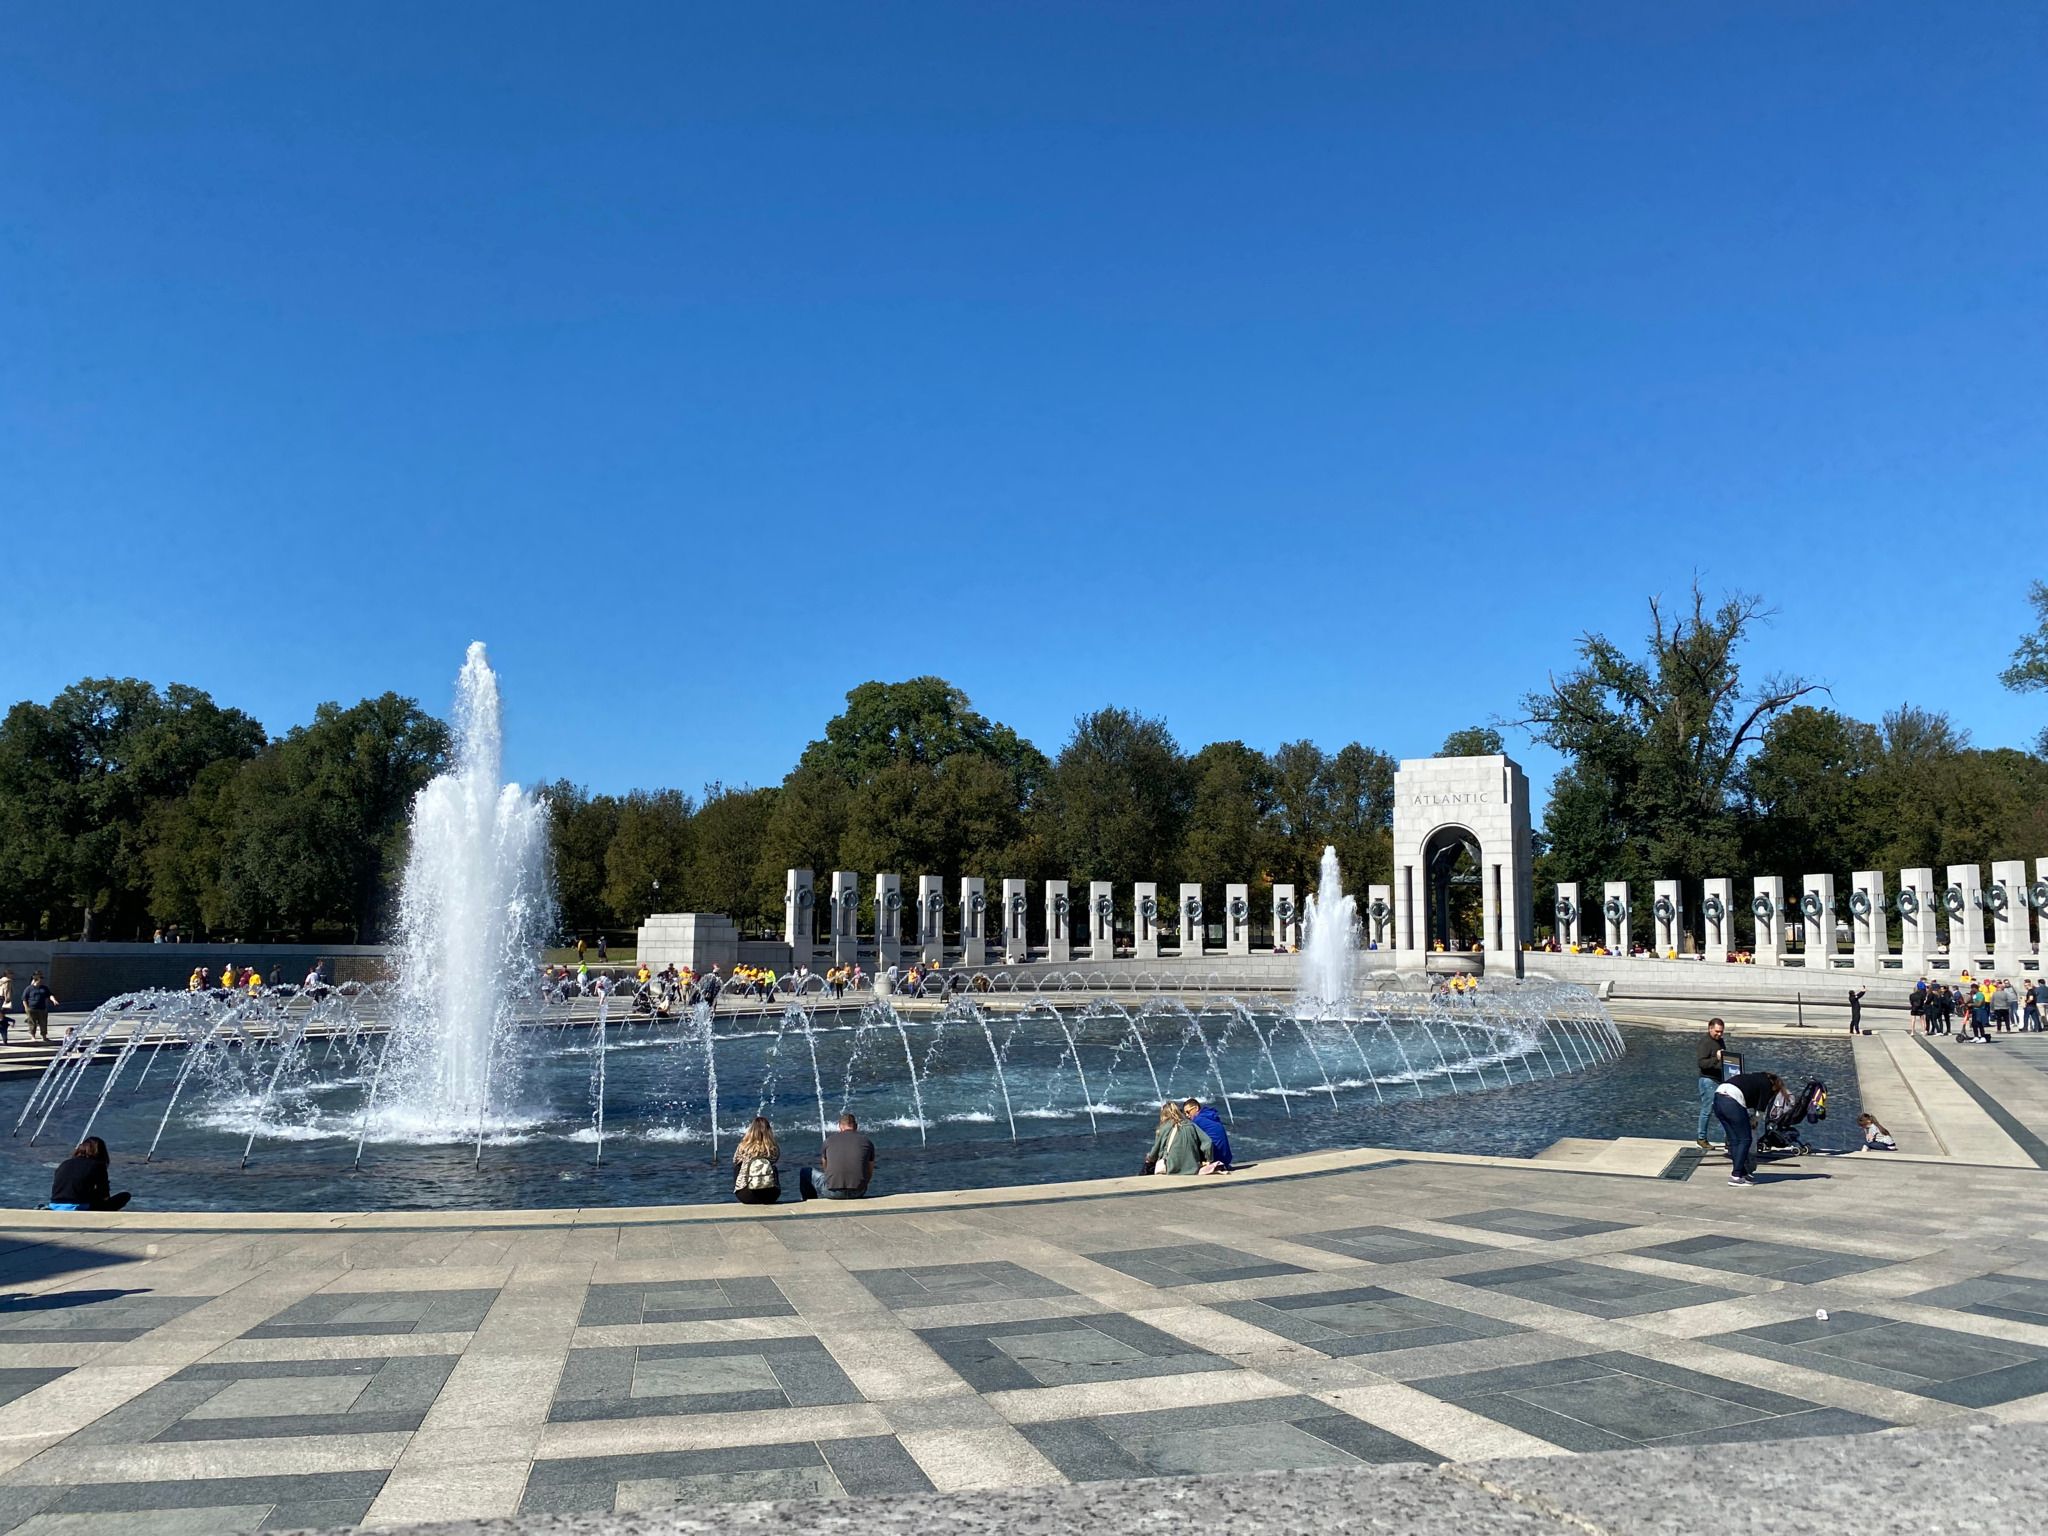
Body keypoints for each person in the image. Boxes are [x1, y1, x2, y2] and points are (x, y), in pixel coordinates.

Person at [1713, 1070, 1786, 1187]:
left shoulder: (1755, 1077)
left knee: (1734, 1140)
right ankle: (1736, 1176)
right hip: (1732, 1100)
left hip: (1718, 1097)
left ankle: (1741, 1172)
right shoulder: (1767, 1085)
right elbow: (1761, 1109)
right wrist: (1754, 1121)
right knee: (1745, 1139)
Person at [803, 1113, 875, 1200]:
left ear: (840, 1126)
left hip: (833, 1192)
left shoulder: (828, 1141)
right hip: (858, 1192)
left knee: (805, 1172)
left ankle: (811, 1201)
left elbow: (825, 1167)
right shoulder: (867, 1142)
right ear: (856, 1126)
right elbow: (870, 1170)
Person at [49, 1137, 130, 1212]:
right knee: (125, 1196)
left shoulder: (65, 1163)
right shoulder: (97, 1166)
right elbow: (104, 1195)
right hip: (78, 1206)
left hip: (55, 1204)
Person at [1144, 1101, 1215, 1175]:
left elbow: (1155, 1152)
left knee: (1147, 1166)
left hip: (1171, 1168)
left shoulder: (1164, 1127)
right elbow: (1208, 1142)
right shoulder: (1191, 1125)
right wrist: (1208, 1159)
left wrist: (1149, 1157)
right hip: (1193, 1168)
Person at [1696, 1018, 1731, 1150]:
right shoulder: (1705, 1042)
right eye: (1717, 1031)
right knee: (1707, 1110)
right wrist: (1716, 1058)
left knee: (1725, 1110)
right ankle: (1701, 1138)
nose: (1719, 1034)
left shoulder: (1720, 1041)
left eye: (1721, 1032)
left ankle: (1729, 1139)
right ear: (1710, 1029)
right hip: (1708, 1080)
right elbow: (1701, 1063)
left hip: (1720, 1080)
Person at [732, 1116, 783, 1205]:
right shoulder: (773, 1148)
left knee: (737, 1167)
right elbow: (775, 1159)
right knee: (773, 1167)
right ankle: (773, 1186)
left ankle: (741, 1186)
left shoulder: (743, 1146)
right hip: (770, 1195)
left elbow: (735, 1160)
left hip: (746, 1196)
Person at [1182, 1098, 1232, 1171]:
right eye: (1185, 1113)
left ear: (1196, 1108)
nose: (1187, 1115)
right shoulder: (1211, 1116)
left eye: (1188, 1112)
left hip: (1215, 1158)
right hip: (1226, 1159)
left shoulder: (1198, 1120)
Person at [21, 972, 56, 1043]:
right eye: (40, 980)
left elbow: (50, 995)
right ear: (35, 980)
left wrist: (54, 1000)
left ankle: (44, 1036)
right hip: (32, 1009)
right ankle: (33, 1036)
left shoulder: (44, 988)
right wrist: (26, 1008)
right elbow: (24, 999)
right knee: (32, 1023)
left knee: (43, 1023)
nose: (41, 982)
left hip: (42, 1008)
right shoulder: (29, 988)